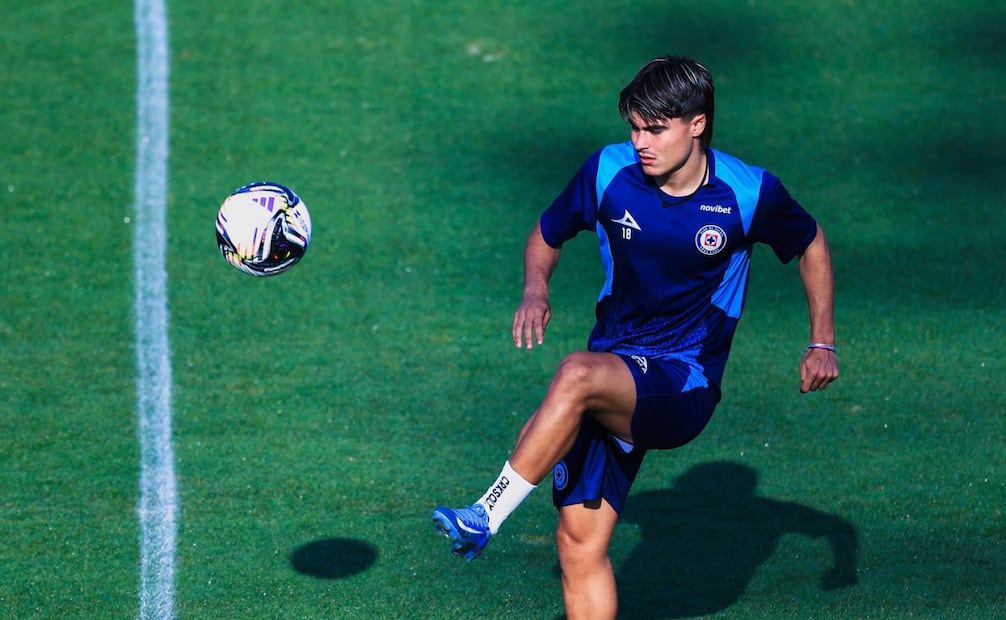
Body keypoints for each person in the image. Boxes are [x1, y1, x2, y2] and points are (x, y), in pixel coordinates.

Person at [432, 55, 839, 619]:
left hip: (683, 382)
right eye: (634, 126)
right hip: (615, 372)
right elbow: (547, 234)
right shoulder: (608, 173)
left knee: (572, 377)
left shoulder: (748, 193)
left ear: (696, 124)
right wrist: (535, 289)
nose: (640, 141)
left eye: (655, 128)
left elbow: (811, 241)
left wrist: (823, 341)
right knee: (578, 544)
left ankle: (486, 513)